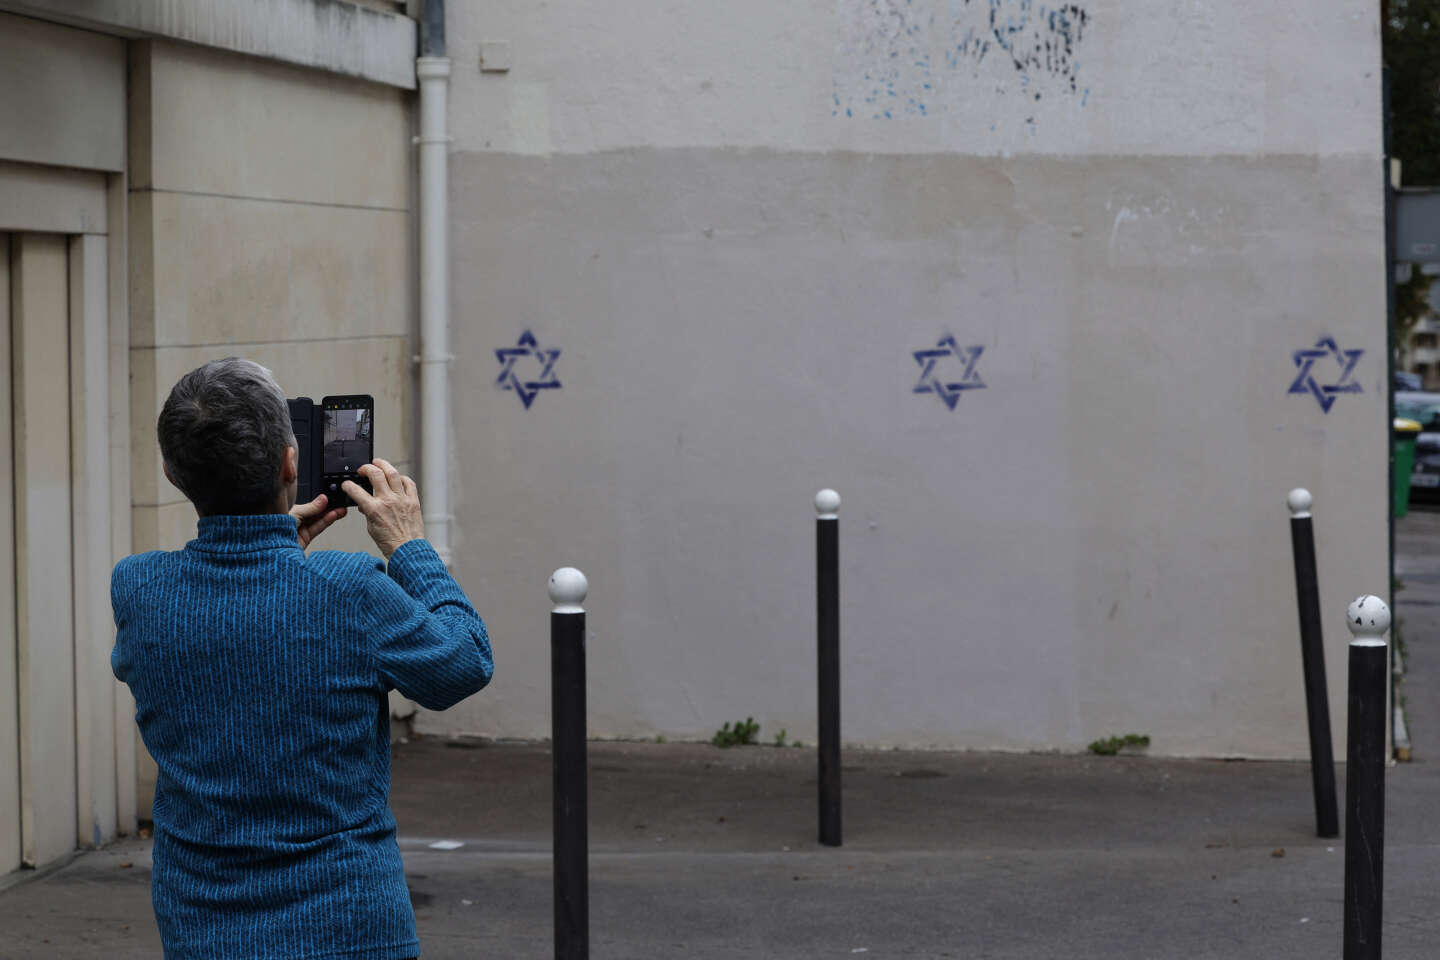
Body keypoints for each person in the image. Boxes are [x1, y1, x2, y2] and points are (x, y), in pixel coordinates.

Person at [111, 357, 493, 960]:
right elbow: (465, 660)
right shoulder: (349, 589)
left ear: (172, 473)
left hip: (203, 931)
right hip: (350, 928)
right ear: (291, 463)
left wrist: (271, 548)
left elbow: (235, 626)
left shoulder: (139, 588)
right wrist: (410, 547)